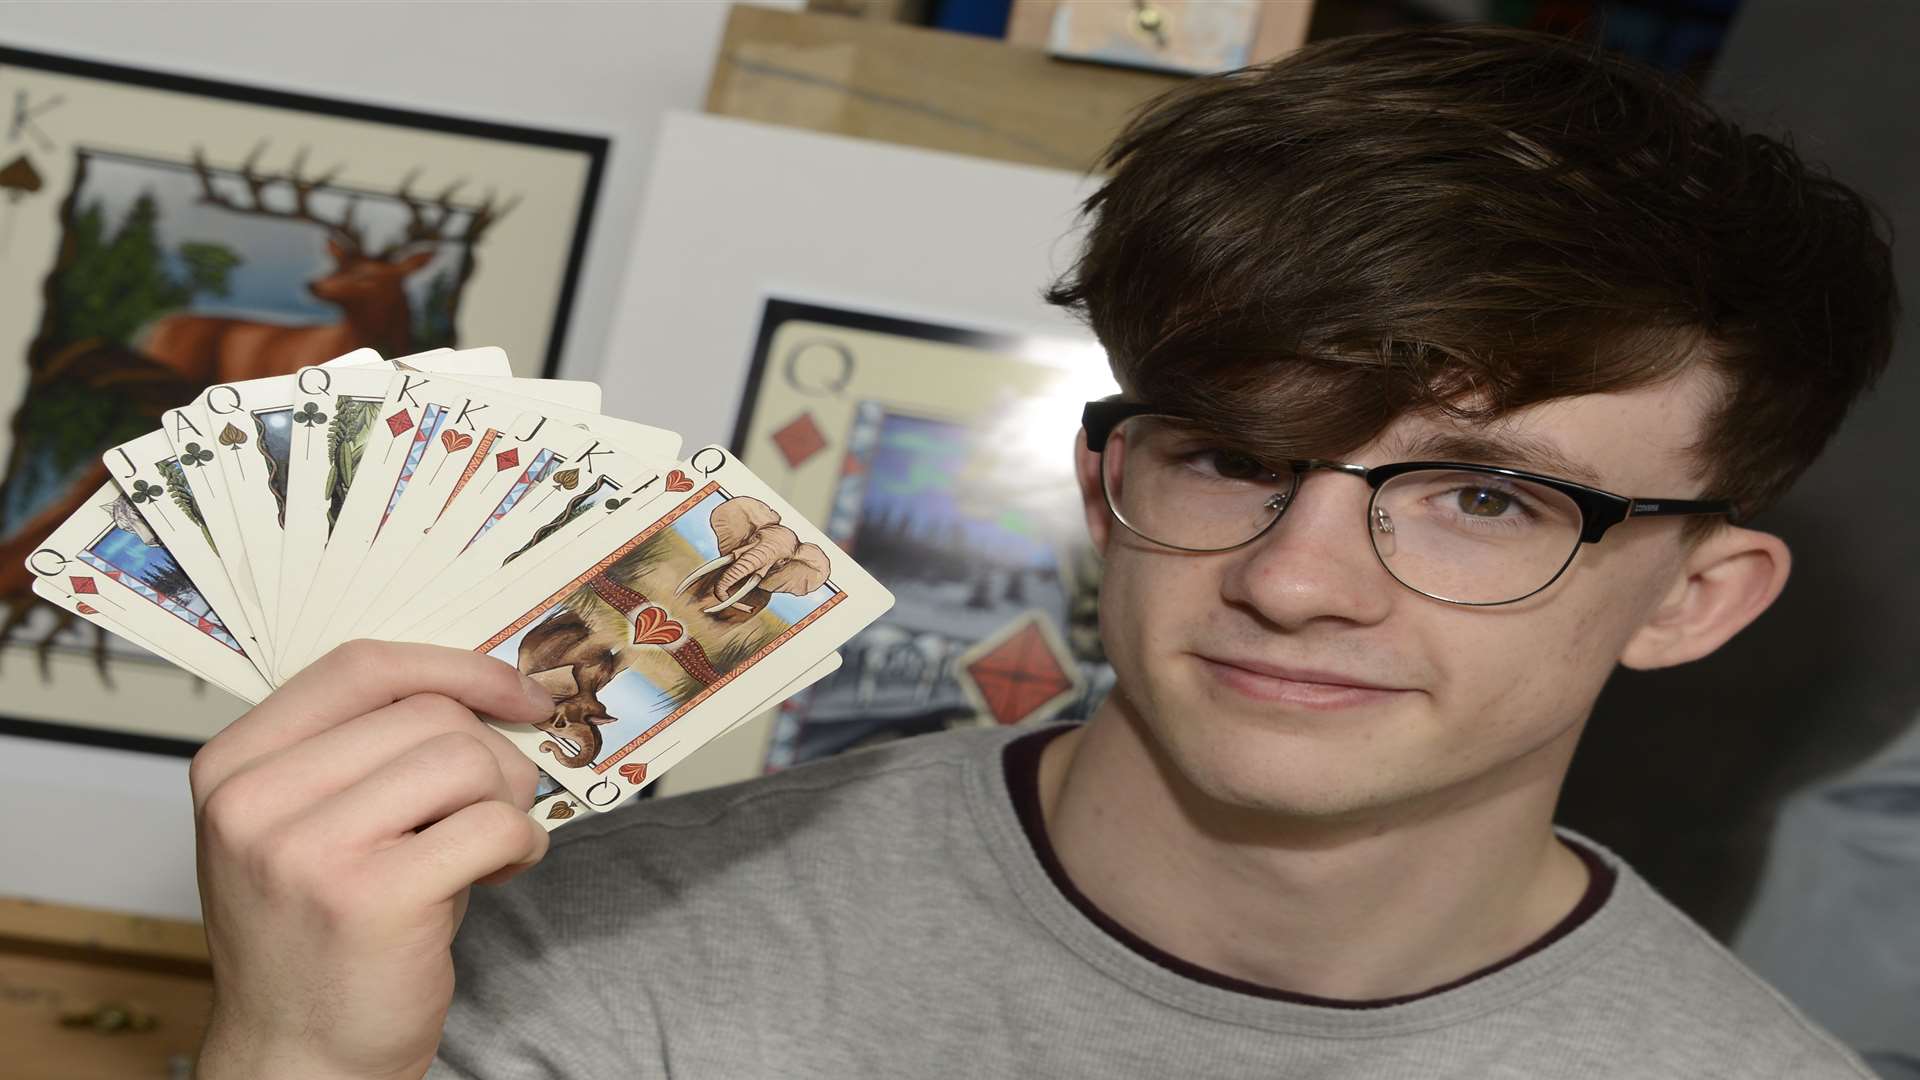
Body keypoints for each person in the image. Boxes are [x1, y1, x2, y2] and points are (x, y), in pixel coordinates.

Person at [186, 24, 1895, 1080]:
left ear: (1694, 598)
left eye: (1485, 499)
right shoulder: (586, 962)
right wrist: (295, 1061)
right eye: (1232, 457)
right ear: (1104, 489)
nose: (1297, 578)